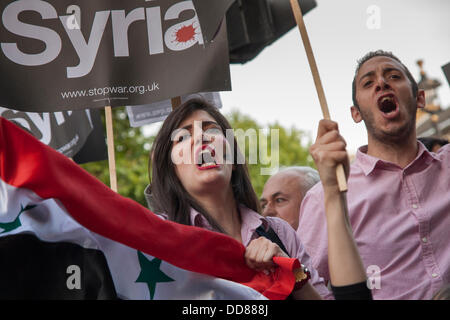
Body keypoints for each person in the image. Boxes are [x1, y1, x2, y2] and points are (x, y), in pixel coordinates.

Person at [147, 98, 371, 299]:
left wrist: (291, 272)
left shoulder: (279, 233)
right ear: (172, 169)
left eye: (212, 131)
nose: (202, 138)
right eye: (183, 137)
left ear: (233, 159)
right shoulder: (157, 237)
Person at [297, 50, 450, 300]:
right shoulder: (324, 196)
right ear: (355, 113)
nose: (381, 83)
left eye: (394, 76)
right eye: (368, 83)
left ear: (420, 98)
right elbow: (311, 285)